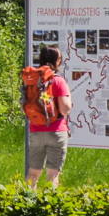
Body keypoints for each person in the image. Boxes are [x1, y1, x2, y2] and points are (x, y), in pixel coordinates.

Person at [26, 45, 71, 185]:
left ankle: (25, 202)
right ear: (57, 61)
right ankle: (49, 205)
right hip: (56, 131)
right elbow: (65, 109)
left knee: (33, 173)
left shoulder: (32, 80)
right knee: (52, 175)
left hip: (36, 130)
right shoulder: (58, 81)